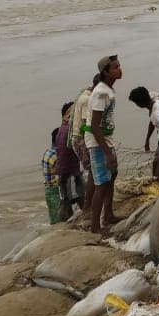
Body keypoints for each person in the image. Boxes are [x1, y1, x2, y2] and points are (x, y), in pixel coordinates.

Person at [85, 54, 122, 234]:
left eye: (119, 66)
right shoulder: (100, 93)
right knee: (101, 182)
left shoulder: (107, 90)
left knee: (112, 175)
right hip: (98, 143)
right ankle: (95, 226)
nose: (119, 70)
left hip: (106, 140)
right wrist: (106, 152)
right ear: (106, 72)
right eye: (115, 67)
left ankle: (108, 214)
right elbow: (94, 125)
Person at [71, 75, 98, 211]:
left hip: (78, 138)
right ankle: (88, 205)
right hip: (81, 139)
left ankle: (89, 203)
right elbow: (87, 124)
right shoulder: (87, 99)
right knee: (93, 170)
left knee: (92, 170)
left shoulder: (84, 94)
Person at [54, 101, 83, 221]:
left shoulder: (61, 130)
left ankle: (61, 224)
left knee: (65, 201)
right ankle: (87, 216)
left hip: (64, 172)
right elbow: (78, 148)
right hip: (70, 173)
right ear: (65, 116)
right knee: (80, 197)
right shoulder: (68, 131)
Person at [41, 131, 60, 225]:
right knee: (59, 219)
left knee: (54, 219)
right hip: (54, 190)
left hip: (48, 189)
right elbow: (59, 171)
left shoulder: (47, 152)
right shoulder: (55, 156)